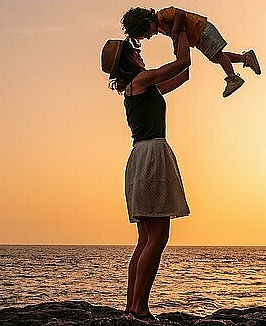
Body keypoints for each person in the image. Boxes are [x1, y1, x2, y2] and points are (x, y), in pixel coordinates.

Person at [101, 30, 192, 323]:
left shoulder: (139, 87)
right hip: (151, 155)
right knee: (158, 236)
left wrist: (182, 39)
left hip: (140, 158)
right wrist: (180, 30)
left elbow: (183, 73)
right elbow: (181, 63)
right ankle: (139, 309)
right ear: (130, 60)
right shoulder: (141, 81)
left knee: (145, 239)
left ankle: (132, 307)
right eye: (136, 53)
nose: (141, 55)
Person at [121, 6, 261, 98]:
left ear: (146, 21)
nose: (148, 36)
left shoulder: (162, 15)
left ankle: (232, 77)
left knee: (217, 55)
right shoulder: (162, 27)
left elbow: (180, 14)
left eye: (146, 33)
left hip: (201, 30)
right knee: (215, 57)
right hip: (197, 37)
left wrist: (176, 31)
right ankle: (245, 58)